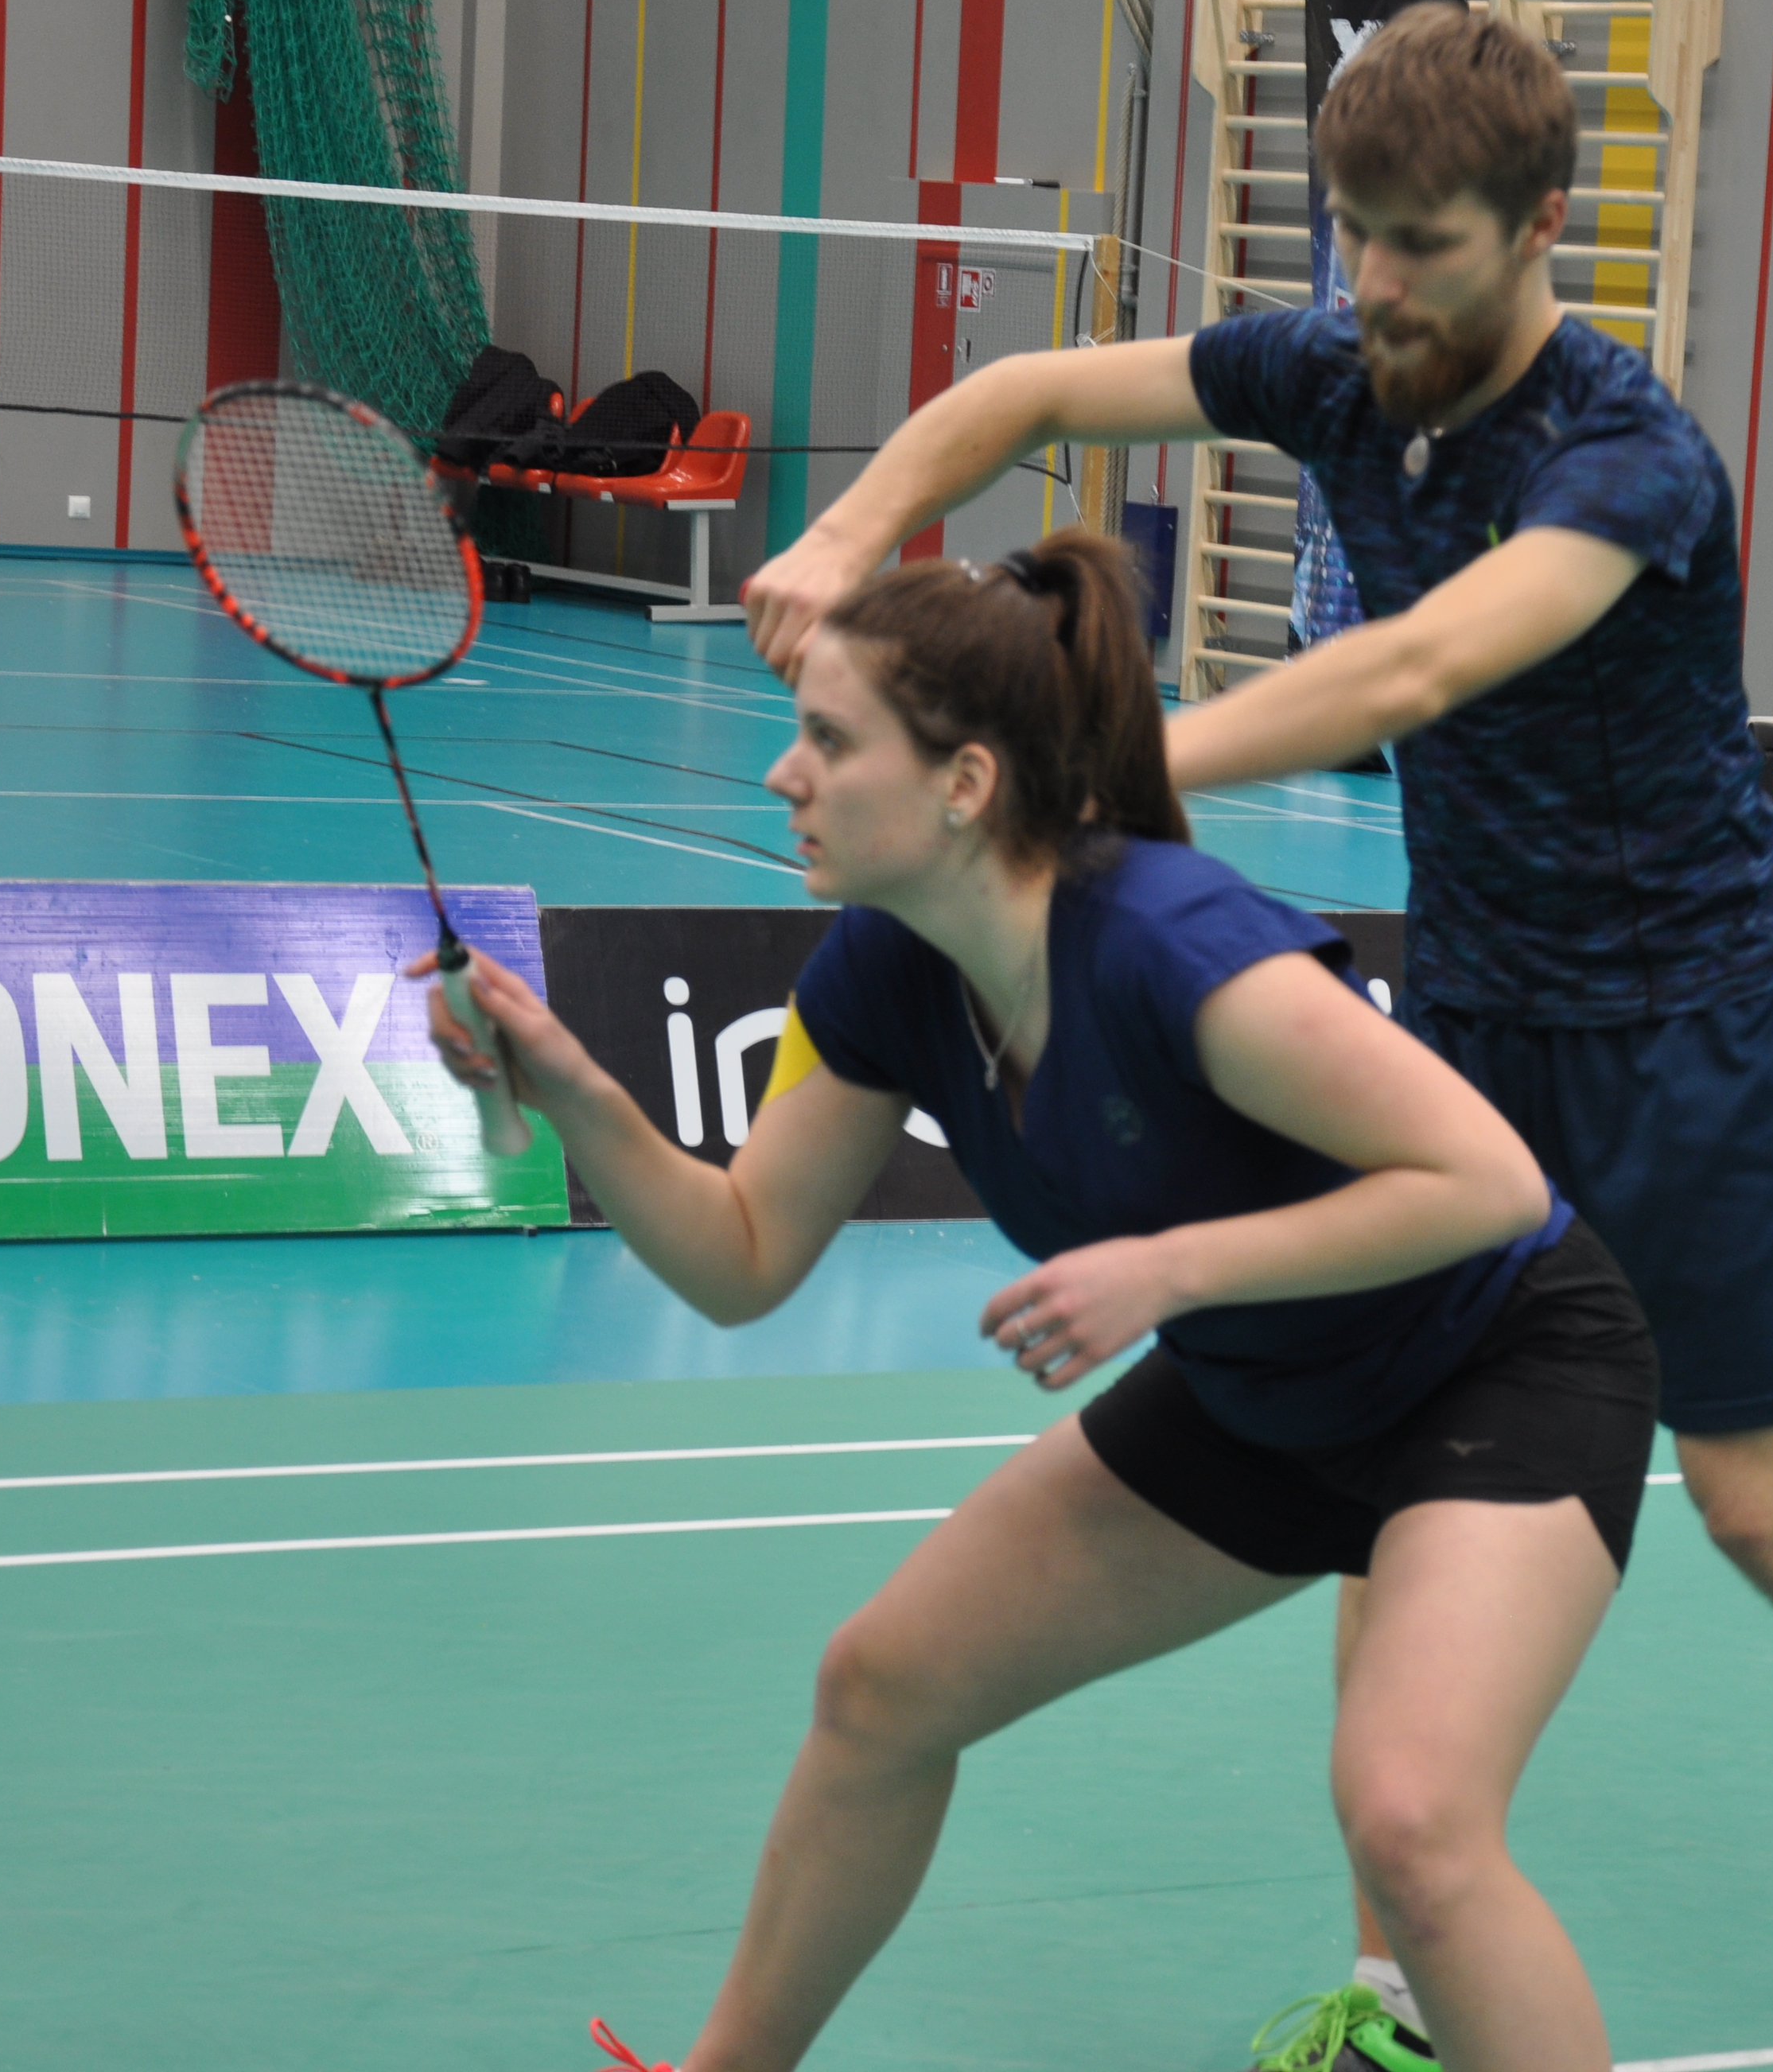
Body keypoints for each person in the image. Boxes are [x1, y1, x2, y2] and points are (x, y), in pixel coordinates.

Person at [741, 7, 1773, 2072]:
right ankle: (1399, 2006)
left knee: (1759, 1511)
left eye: (1422, 245)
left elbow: (1419, 667)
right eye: (1350, 232)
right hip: (1468, 1009)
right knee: (1394, 1462)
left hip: (1684, 1026)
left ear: (1541, 225)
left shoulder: (1626, 457)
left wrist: (1109, 769)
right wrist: (847, 540)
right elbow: (1026, 391)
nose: (1372, 283)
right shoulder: (1340, 364)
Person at [423, 529, 1660, 2072]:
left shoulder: (1170, 942)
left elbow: (1487, 1182)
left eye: (827, 739)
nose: (782, 774)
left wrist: (1173, 1266)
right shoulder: (885, 969)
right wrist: (574, 1085)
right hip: (1268, 1392)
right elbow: (741, 1258)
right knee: (882, 1685)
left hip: (1497, 1368)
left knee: (1412, 1820)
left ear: (964, 781)